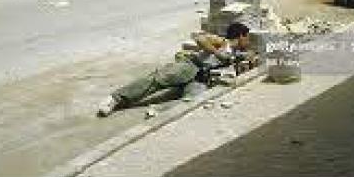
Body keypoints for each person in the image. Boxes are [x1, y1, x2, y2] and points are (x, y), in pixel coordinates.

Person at [96, 23, 252, 117]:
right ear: (240, 36)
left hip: (200, 79)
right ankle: (115, 99)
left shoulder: (236, 53)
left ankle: (157, 110)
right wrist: (218, 53)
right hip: (190, 67)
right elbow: (200, 38)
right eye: (247, 37)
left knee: (192, 101)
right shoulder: (222, 42)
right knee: (156, 80)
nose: (249, 41)